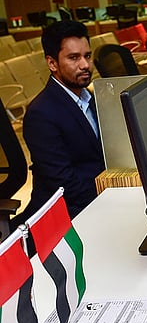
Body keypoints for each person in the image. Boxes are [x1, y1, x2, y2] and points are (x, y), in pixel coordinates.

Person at [20, 20, 105, 220]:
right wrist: (110, 199)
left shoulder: (90, 99)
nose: (85, 65)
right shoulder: (41, 114)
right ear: (52, 63)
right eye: (74, 58)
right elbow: (65, 185)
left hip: (97, 199)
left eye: (87, 56)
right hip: (69, 215)